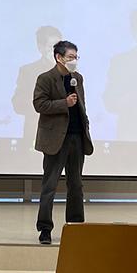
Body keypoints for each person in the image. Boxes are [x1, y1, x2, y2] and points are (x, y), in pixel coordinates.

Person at [32, 40, 93, 244]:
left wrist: (85, 125)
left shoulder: (78, 78)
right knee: (49, 185)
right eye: (70, 57)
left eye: (76, 57)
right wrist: (64, 103)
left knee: (76, 185)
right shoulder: (45, 78)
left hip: (77, 137)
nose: (74, 61)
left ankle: (75, 227)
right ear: (59, 57)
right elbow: (39, 104)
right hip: (55, 139)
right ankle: (45, 229)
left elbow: (81, 105)